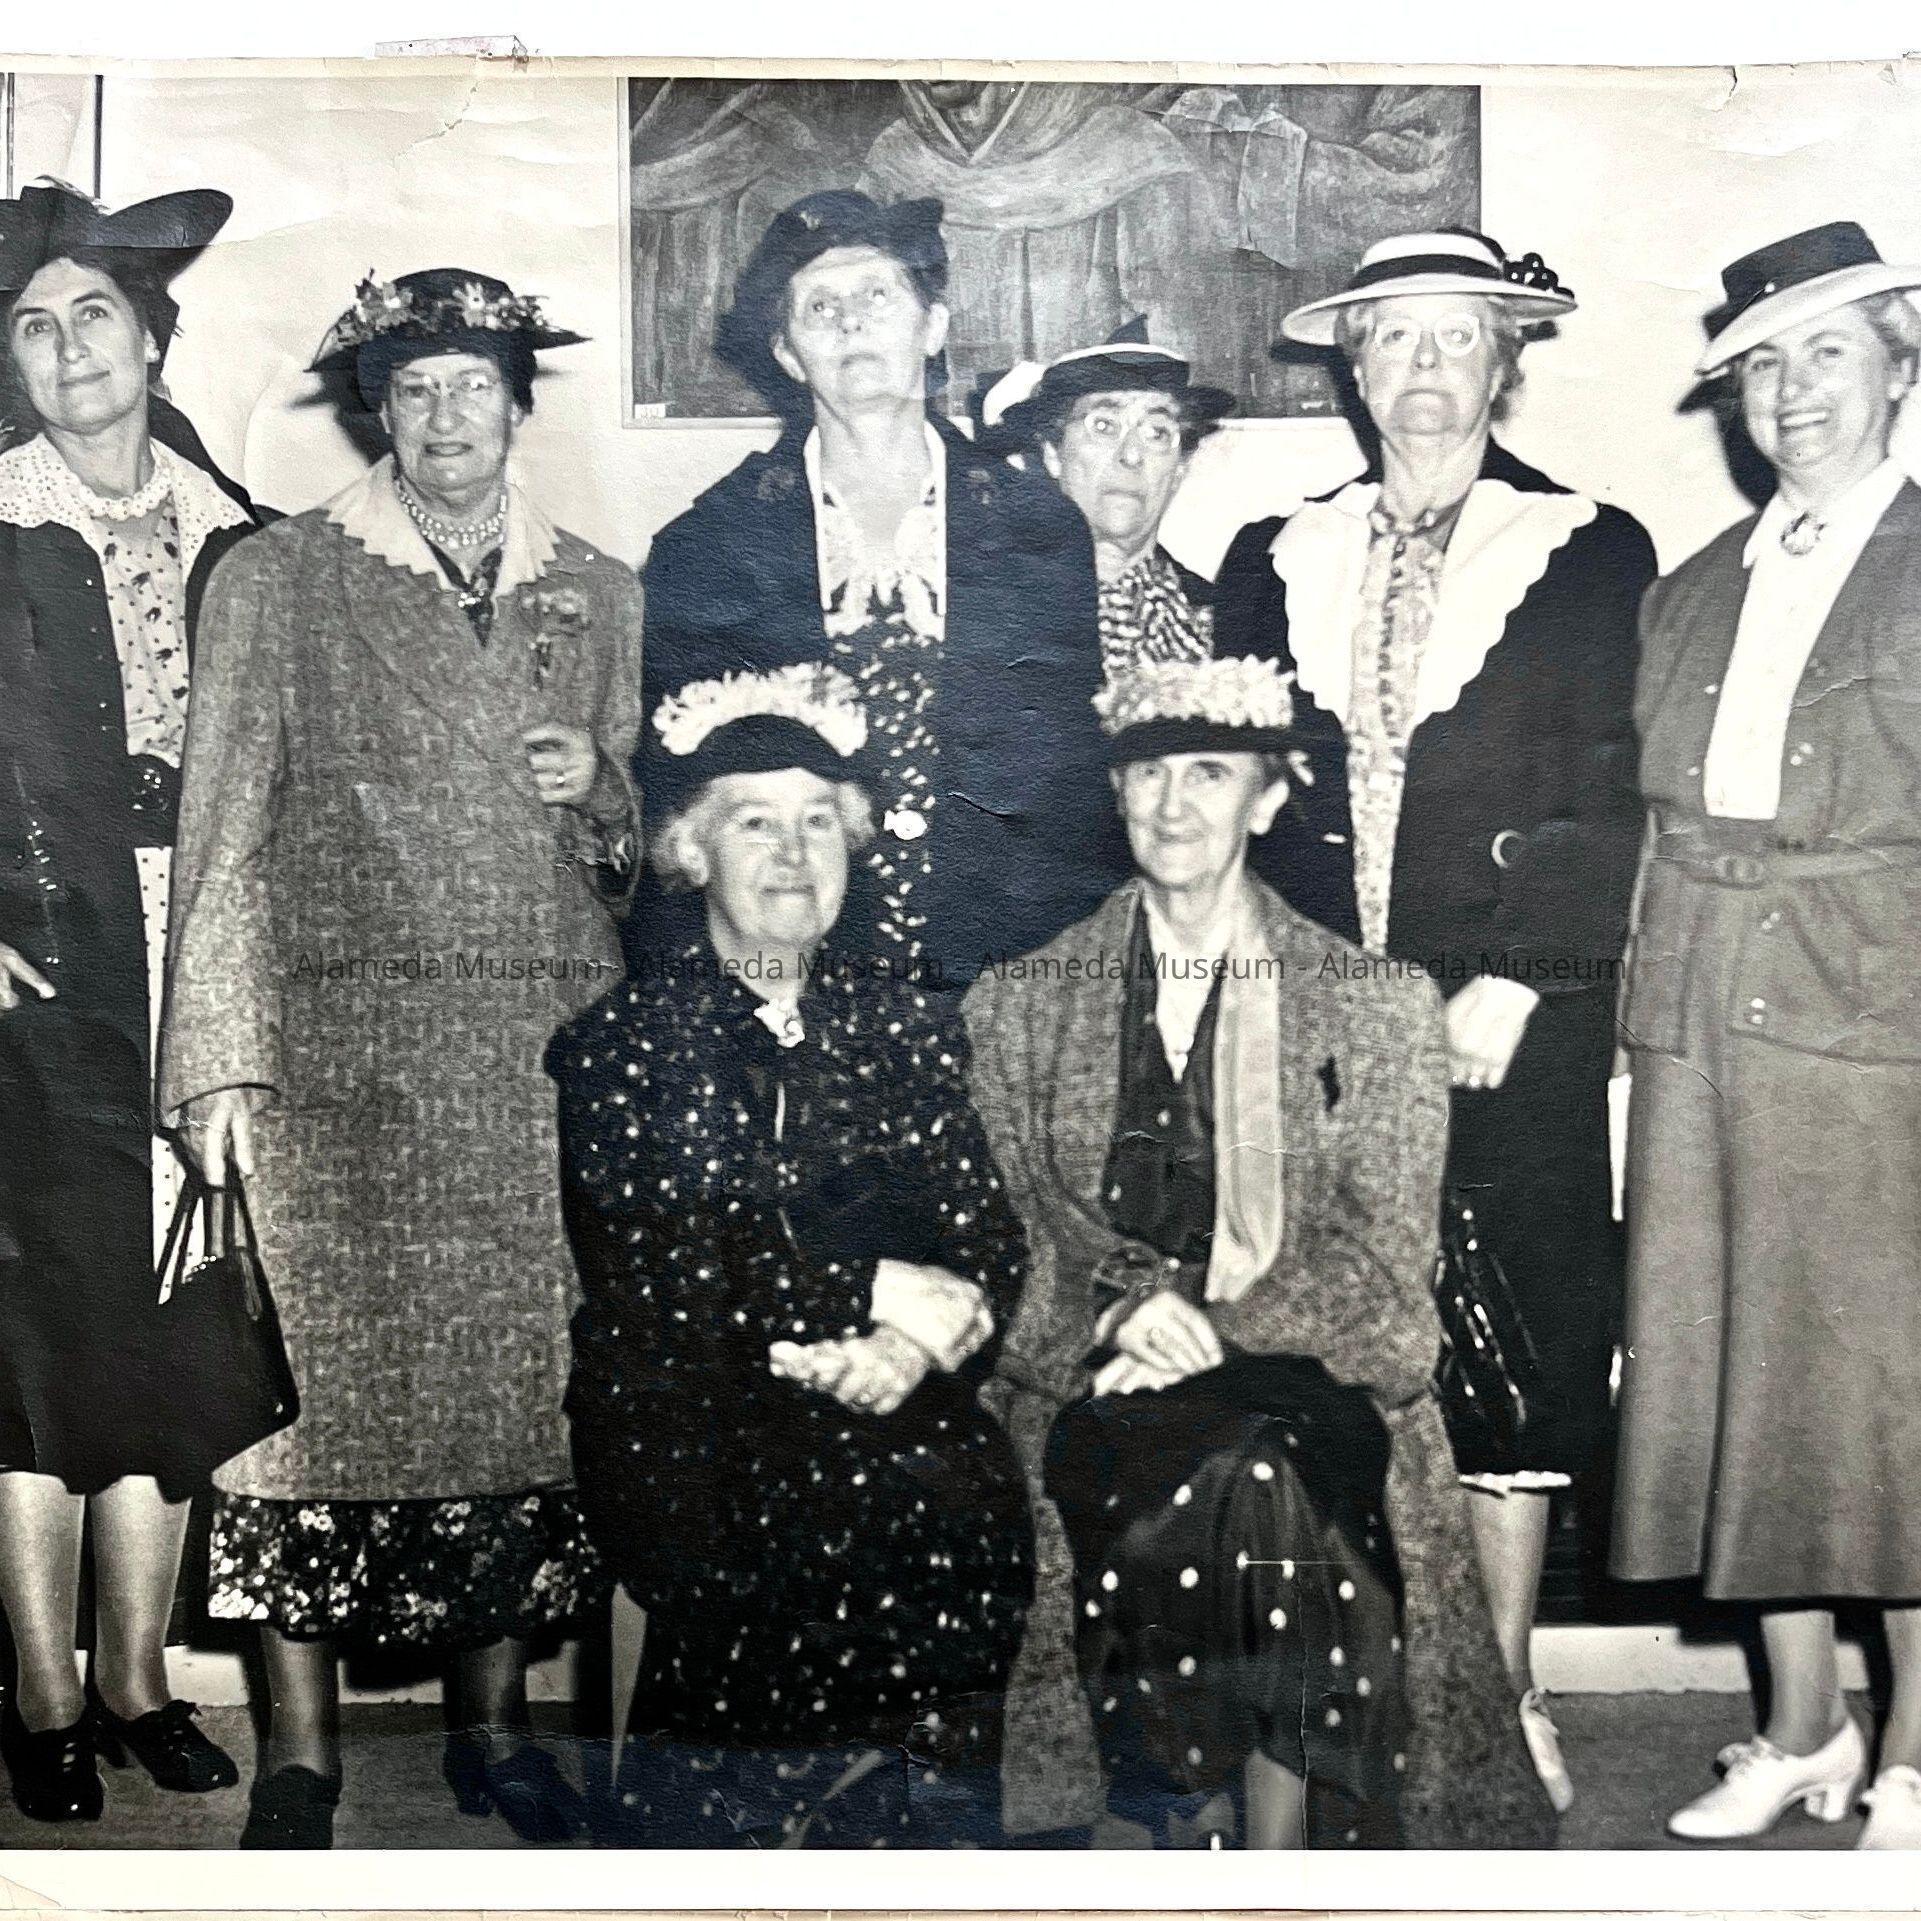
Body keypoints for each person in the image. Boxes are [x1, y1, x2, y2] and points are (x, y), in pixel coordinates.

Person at [158, 267, 645, 1849]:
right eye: (414, 388)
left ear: (515, 401)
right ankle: (300, 1752)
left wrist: (604, 789)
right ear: (377, 409)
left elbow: (638, 864)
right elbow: (223, 834)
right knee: (310, 1409)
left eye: (472, 385)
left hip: (530, 1059)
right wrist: (218, 1065)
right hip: (336, 1066)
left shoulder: (601, 589)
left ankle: (493, 1733)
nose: (445, 416)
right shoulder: (278, 576)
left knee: (511, 1398)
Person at [964, 655, 1554, 1849]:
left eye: (1210, 773)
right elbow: (1003, 1232)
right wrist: (1120, 1310)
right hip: (1091, 1370)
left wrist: (1209, 1334)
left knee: (1261, 1463)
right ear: (1115, 793)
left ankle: (1237, 1840)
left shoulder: (1373, 1005)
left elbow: (1384, 1278)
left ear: (1269, 798)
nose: (1173, 803)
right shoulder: (1018, 1003)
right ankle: (1224, 1824)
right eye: (1147, 774)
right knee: (1233, 1474)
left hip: (1300, 1371)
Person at [1212, 229, 1657, 1812]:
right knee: (1329, 1345)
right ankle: (1341, 1692)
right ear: (1352, 362)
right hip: (1316, 1019)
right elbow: (1237, 784)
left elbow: (1614, 785)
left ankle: (1503, 1687)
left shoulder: (1588, 547)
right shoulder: (1273, 551)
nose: (1422, 366)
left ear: (1501, 360)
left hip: (1506, 1020)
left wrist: (1522, 970)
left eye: (1454, 336)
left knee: (1510, 1338)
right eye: (1392, 336)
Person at [552, 664, 1033, 1846]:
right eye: (754, 822)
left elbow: (986, 1233)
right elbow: (670, 1274)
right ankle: (753, 1835)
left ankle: (912, 1834)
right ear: (690, 851)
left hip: (892, 1393)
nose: (792, 852)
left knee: (957, 1480)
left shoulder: (899, 1023)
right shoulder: (626, 1043)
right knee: (811, 1496)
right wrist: (865, 1289)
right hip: (688, 1407)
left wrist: (906, 1346)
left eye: (819, 820)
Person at [1612, 221, 1921, 1852]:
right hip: (1696, 1015)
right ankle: (1802, 1726)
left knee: (1883, 1380)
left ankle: (1919, 1751)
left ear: (1898, 368)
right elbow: (1655, 833)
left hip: (1878, 1017)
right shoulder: (1688, 592)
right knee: (1734, 1372)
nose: (1792, 392)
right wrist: (1634, 1045)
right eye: (1762, 366)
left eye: (1828, 353)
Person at [0, 180, 260, 1826]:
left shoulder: (243, 534)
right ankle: (41, 1695)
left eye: (94, 313)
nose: (68, 347)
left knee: (176, 1328)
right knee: (38, 1343)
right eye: (33, 327)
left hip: (204, 967)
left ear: (154, 338)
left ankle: (138, 1679)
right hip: (38, 987)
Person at [640, 189, 1116, 991]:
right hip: (796, 969)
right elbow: (682, 804)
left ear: (932, 328)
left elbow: (1072, 784)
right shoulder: (708, 545)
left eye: (877, 295)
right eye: (819, 306)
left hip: (1010, 964)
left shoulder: (1038, 527)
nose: (850, 323)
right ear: (787, 353)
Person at [978, 318, 1234, 676]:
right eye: (1103, 425)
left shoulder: (1226, 620)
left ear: (1178, 467)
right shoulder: (993, 607)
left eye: (1157, 433)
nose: (1131, 455)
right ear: (1053, 454)